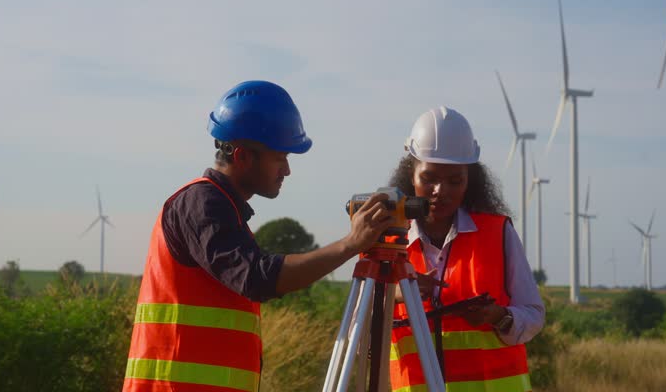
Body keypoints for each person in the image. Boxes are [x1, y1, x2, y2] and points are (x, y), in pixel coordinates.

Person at [122, 80, 393, 392]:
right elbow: (256, 278)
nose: (287, 170)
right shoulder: (201, 205)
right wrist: (350, 244)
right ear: (242, 157)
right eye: (280, 158)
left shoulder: (225, 211)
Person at [388, 106, 545, 392]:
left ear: (469, 179)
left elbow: (533, 315)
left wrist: (499, 316)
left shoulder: (498, 233)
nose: (440, 191)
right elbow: (356, 337)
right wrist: (394, 295)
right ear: (412, 173)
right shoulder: (384, 242)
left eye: (454, 180)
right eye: (429, 178)